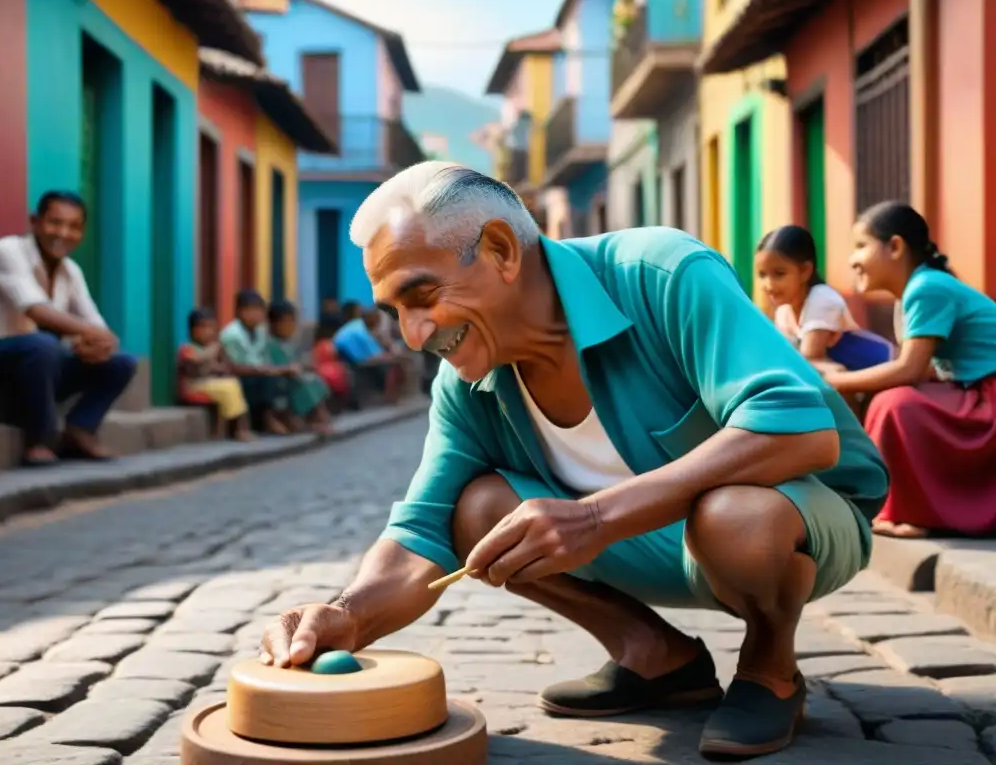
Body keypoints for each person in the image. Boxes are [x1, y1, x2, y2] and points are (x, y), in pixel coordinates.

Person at [259, 163, 890, 759]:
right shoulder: (466, 384)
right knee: (477, 508)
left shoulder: (660, 272)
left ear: (503, 250)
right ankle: (653, 656)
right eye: (394, 311)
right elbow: (422, 530)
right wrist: (345, 615)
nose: (414, 334)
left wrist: (591, 519)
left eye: (421, 296)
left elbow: (797, 431)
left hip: (792, 526)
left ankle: (770, 669)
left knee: (736, 514)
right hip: (653, 549)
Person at [824, 202, 996, 540]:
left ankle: (915, 512)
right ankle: (898, 506)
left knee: (896, 405)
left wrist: (832, 382)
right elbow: (927, 371)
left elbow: (910, 370)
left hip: (988, 396)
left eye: (861, 246)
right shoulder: (913, 293)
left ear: (896, 246)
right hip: (975, 390)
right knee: (893, 400)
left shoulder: (926, 287)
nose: (852, 260)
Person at [0, 191, 137, 466]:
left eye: (74, 227)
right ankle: (40, 438)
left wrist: (102, 343)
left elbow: (95, 324)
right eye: (55, 223)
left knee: (121, 362)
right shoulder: (8, 250)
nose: (63, 233)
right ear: (35, 222)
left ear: (82, 232)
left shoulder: (71, 271)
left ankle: (80, 429)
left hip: (37, 365)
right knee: (42, 343)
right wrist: (89, 334)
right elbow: (36, 310)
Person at [756, 225, 894, 374]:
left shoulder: (821, 299)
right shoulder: (783, 311)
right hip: (853, 380)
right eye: (762, 275)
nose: (768, 285)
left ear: (805, 271)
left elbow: (809, 356)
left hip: (884, 368)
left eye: (779, 274)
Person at [219, 289, 294, 435]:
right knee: (266, 380)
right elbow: (234, 367)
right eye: (250, 310)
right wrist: (264, 370)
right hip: (239, 376)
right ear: (239, 312)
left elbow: (264, 357)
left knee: (282, 378)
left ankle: (287, 417)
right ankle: (268, 419)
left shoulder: (261, 331)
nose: (255, 315)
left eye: (258, 310)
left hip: (259, 372)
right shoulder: (232, 334)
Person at [176, 308, 252, 441]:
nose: (208, 332)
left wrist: (220, 366)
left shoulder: (213, 349)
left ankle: (240, 427)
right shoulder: (187, 348)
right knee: (228, 388)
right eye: (203, 327)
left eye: (212, 328)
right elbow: (197, 359)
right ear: (193, 330)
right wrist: (213, 350)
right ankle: (239, 430)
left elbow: (221, 367)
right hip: (192, 387)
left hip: (209, 384)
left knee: (232, 384)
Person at [266, 300, 334, 435]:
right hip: (279, 380)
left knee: (315, 380)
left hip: (291, 376)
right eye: (285, 323)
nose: (289, 326)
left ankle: (319, 417)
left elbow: (295, 361)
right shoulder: (271, 344)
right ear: (273, 324)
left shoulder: (288, 343)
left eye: (292, 322)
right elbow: (276, 364)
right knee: (304, 384)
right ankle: (316, 419)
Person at [333, 303, 403, 404]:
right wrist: (394, 356)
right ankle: (390, 397)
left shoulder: (354, 326)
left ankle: (389, 395)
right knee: (395, 363)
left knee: (393, 360)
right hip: (352, 360)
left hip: (345, 358)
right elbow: (375, 355)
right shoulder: (360, 328)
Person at [311, 322, 353, 407]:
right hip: (333, 370)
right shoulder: (329, 344)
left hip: (323, 371)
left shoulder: (316, 346)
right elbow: (335, 356)